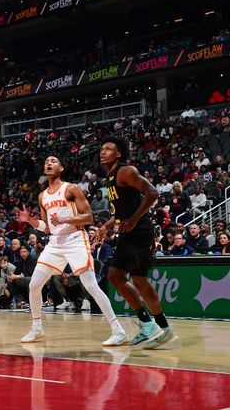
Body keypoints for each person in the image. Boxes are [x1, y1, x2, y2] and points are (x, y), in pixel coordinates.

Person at [16, 156, 127, 346]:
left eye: (53, 161)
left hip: (76, 239)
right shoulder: (42, 196)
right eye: (46, 161)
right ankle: (37, 328)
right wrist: (30, 221)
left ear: (61, 167)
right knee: (34, 285)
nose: (49, 163)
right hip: (55, 242)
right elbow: (48, 227)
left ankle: (119, 330)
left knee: (91, 285)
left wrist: (66, 220)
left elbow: (89, 218)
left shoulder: (71, 189)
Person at [97, 137, 176, 349]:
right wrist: (105, 226)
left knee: (115, 275)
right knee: (140, 279)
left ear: (119, 154)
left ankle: (146, 323)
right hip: (138, 230)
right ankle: (164, 327)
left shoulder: (125, 171)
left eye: (108, 149)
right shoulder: (110, 177)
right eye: (102, 148)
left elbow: (153, 193)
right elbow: (122, 211)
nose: (103, 151)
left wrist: (133, 220)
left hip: (137, 230)